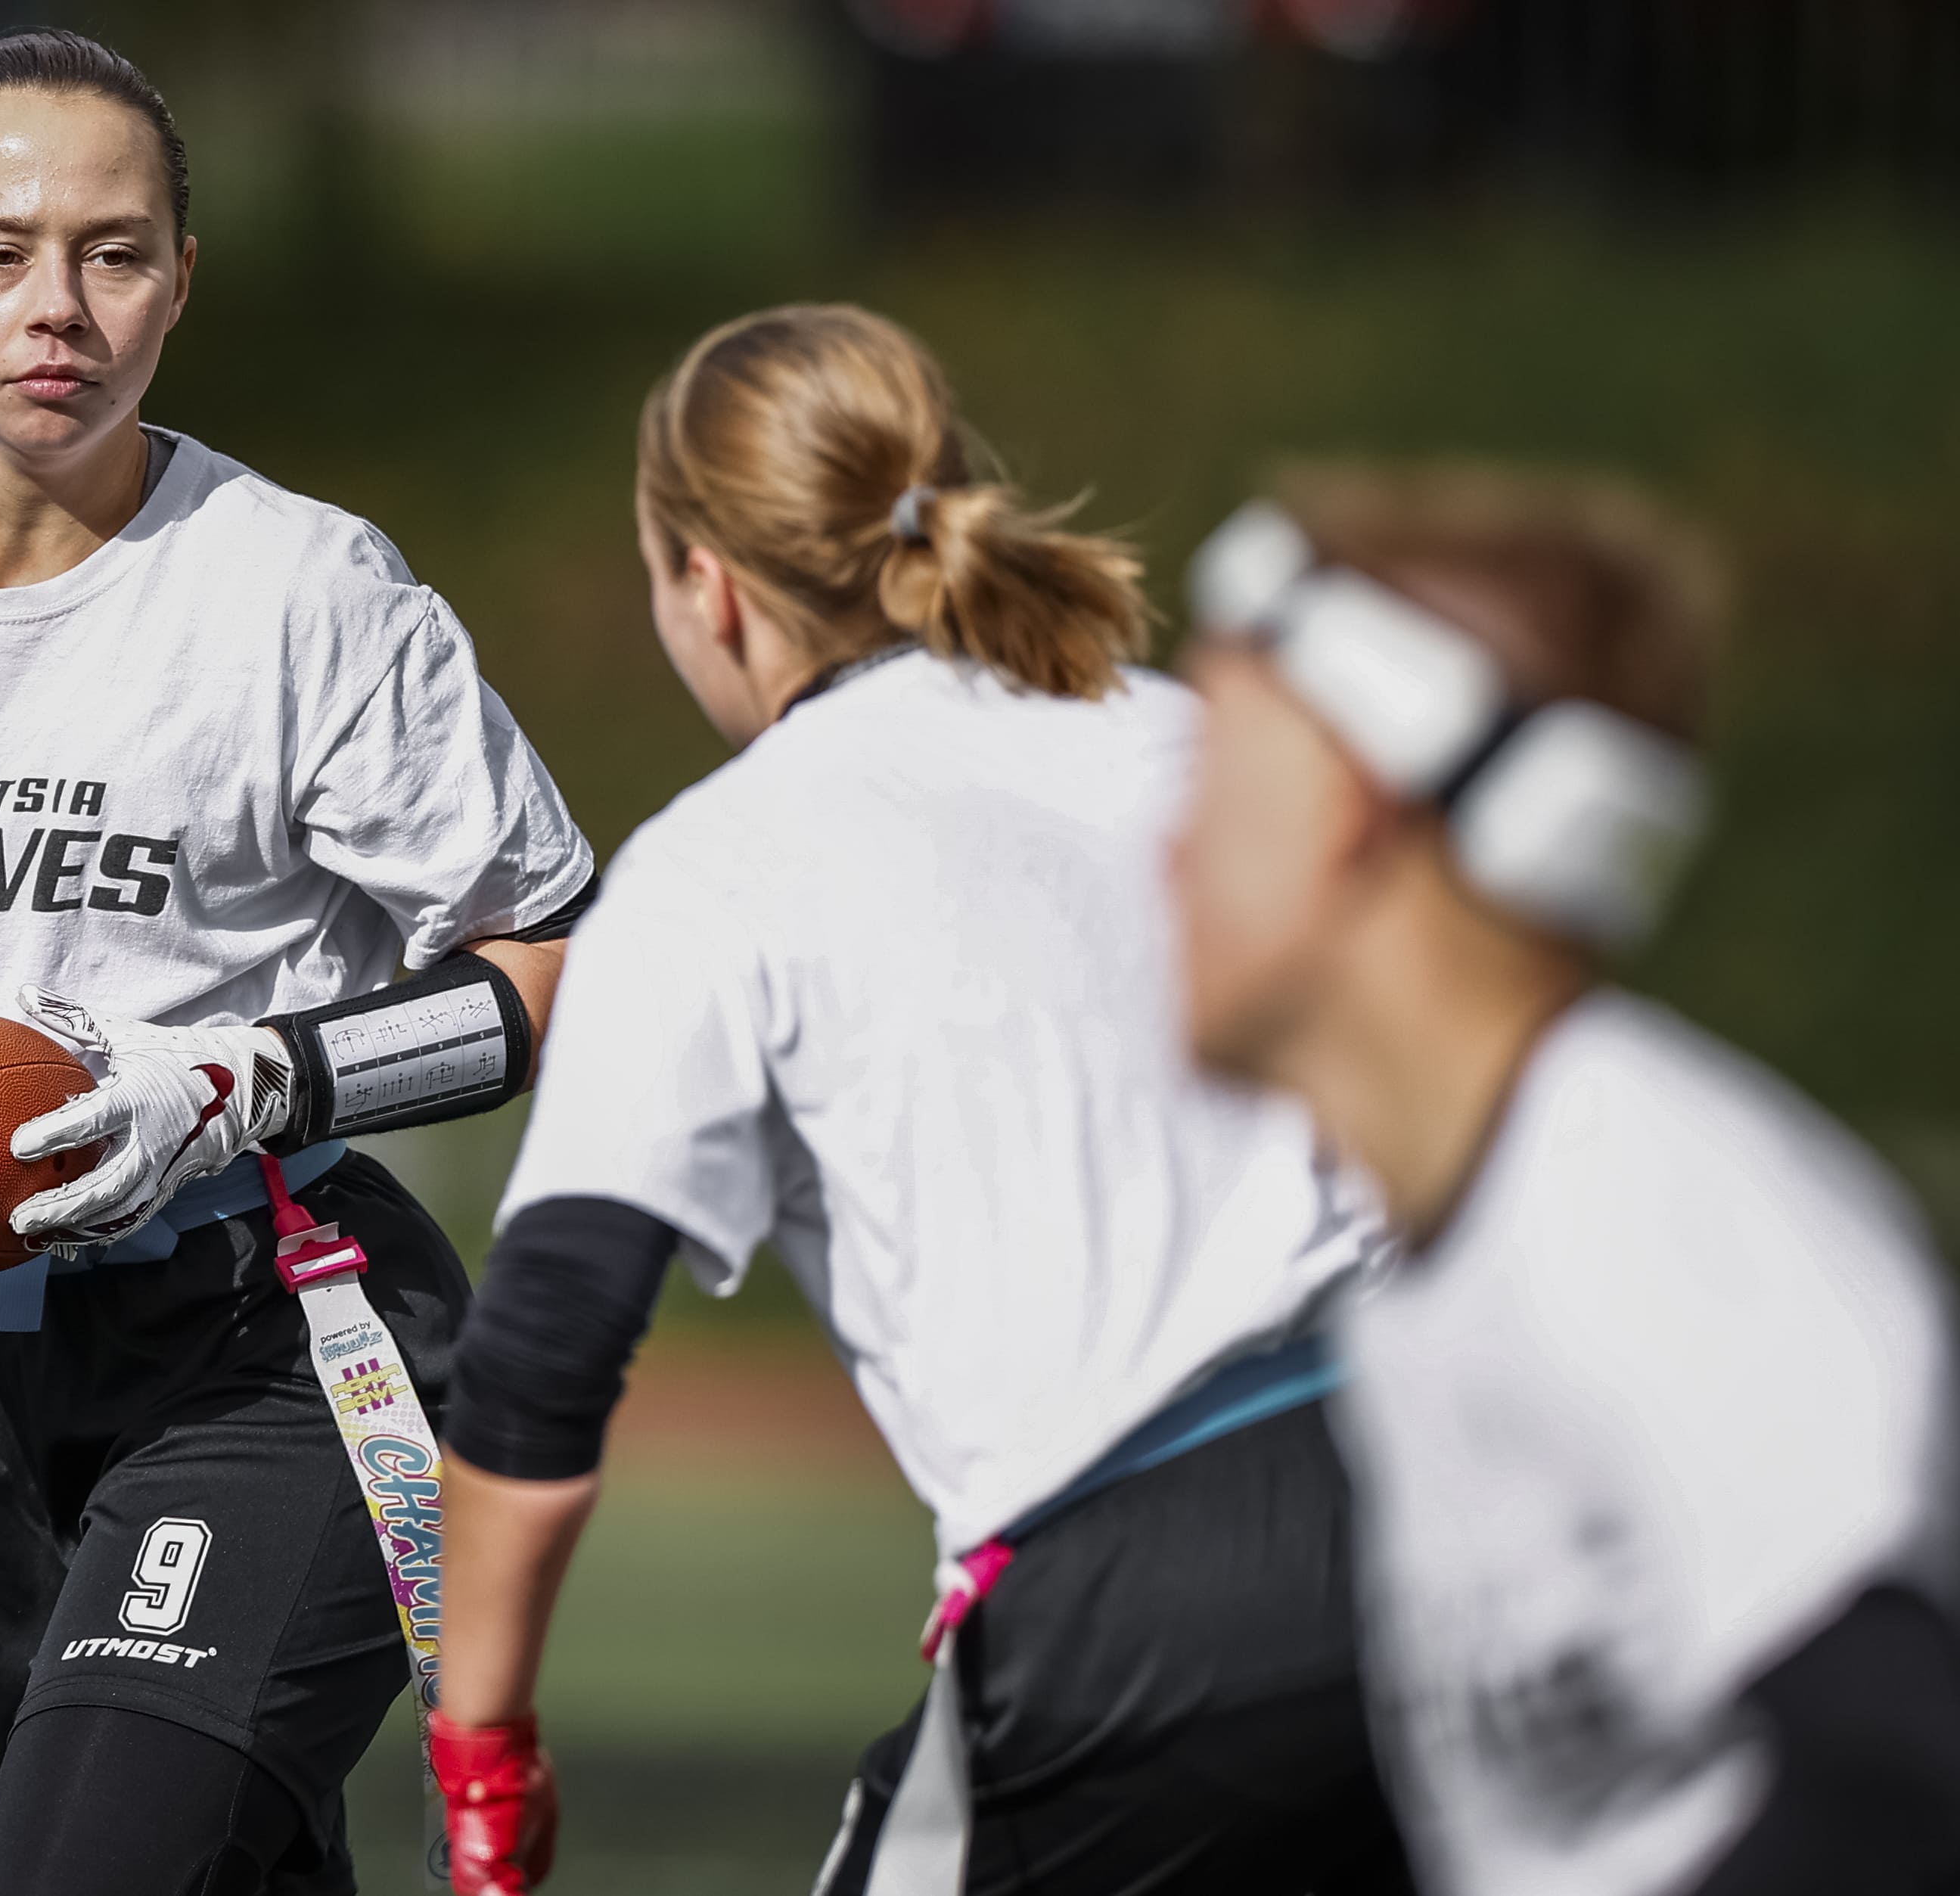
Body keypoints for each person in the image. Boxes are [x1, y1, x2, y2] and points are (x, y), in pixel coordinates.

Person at [0, 29, 597, 1894]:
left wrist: (231, 1084)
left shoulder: (301, 591)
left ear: (179, 282)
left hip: (281, 1334)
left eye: (114, 251)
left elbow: (538, 964)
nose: (56, 304)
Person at [424, 304, 1412, 1896]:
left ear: (705, 585)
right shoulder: (1198, 741)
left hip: (1129, 1588)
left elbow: (540, 1359)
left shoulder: (712, 867)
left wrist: (480, 1746)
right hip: (1448, 1502)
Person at [1173, 463, 1960, 1895]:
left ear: (1351, 805)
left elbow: (1906, 1779)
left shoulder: (1645, 1203)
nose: (1167, 853)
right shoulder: (1442, 1253)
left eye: (1217, 777)